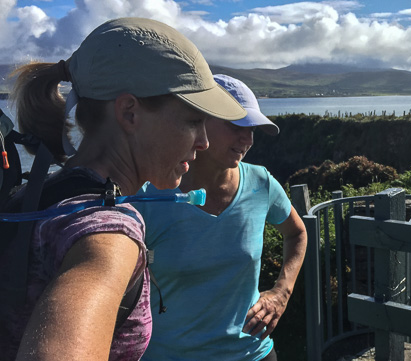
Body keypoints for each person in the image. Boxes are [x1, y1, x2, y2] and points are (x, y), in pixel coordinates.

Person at [0, 18, 246, 361]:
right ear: (129, 112)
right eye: (193, 121)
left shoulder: (45, 193)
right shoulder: (110, 233)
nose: (204, 142)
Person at [136, 75, 307, 361]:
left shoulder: (260, 183)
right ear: (198, 120)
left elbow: (297, 233)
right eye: (236, 125)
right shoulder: (150, 194)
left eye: (252, 129)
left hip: (253, 353)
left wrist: (282, 293)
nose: (248, 139)